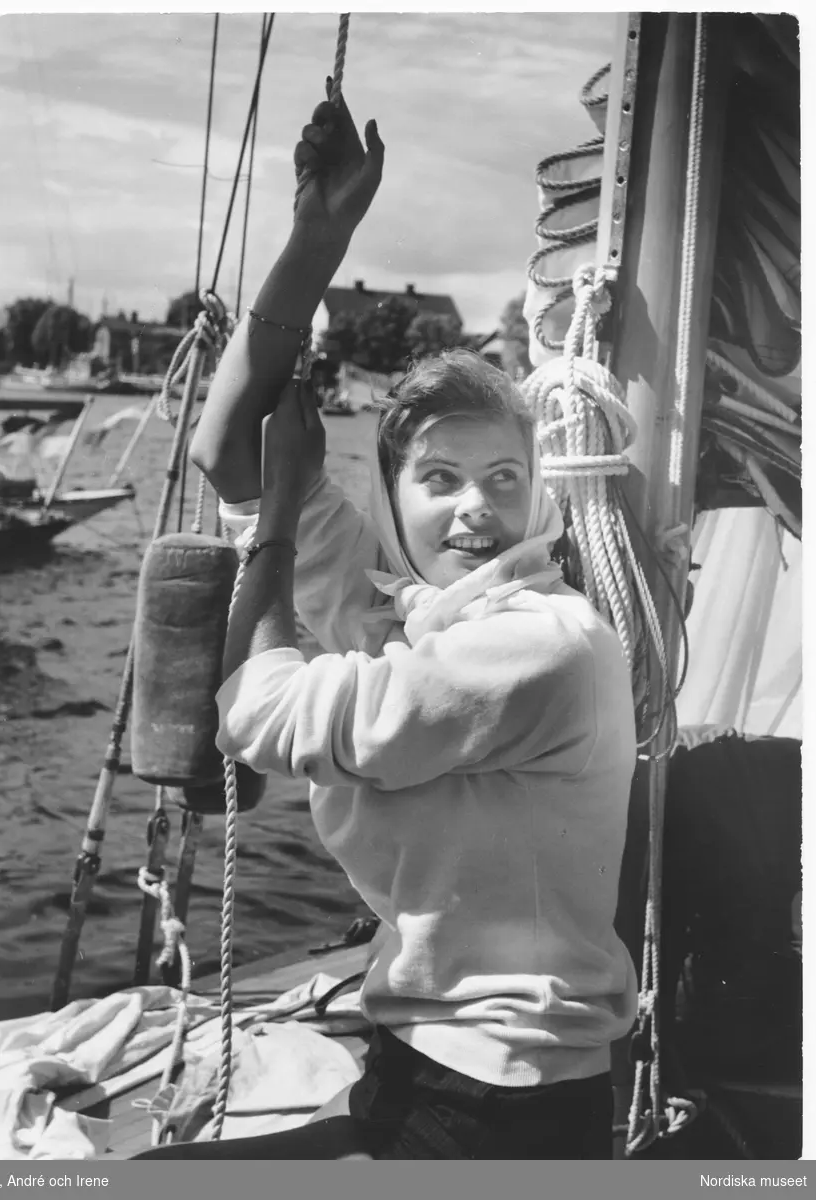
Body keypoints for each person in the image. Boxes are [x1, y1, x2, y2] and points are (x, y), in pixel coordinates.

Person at [137, 87, 638, 1161]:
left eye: (505, 477)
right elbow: (228, 447)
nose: (475, 507)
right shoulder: (415, 620)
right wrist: (318, 238)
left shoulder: (543, 645)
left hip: (509, 1102)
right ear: (392, 498)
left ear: (543, 496)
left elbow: (257, 710)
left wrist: (276, 524)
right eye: (441, 478)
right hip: (417, 1064)